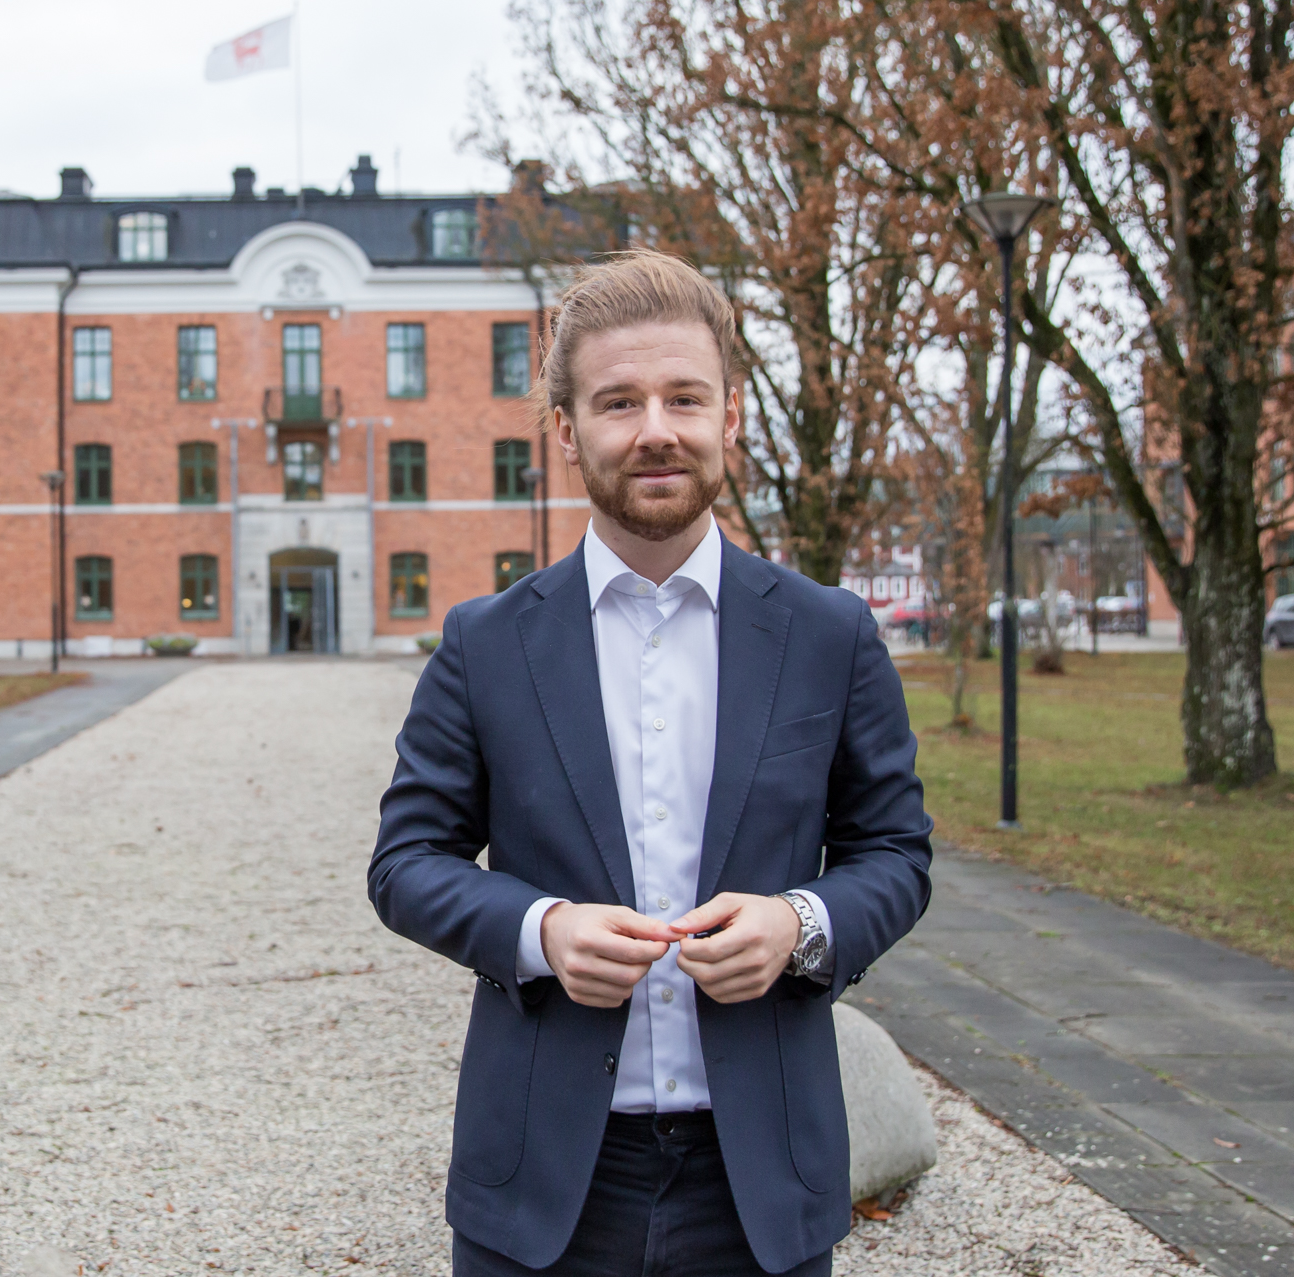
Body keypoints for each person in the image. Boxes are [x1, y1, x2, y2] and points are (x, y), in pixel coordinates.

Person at [370, 250, 933, 1277]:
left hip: (761, 1180)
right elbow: (406, 861)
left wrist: (797, 923)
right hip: (542, 1178)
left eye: (684, 396)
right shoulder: (484, 643)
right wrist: (541, 930)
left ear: (730, 417)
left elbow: (895, 852)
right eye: (619, 402)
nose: (656, 429)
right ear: (566, 431)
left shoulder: (828, 634)